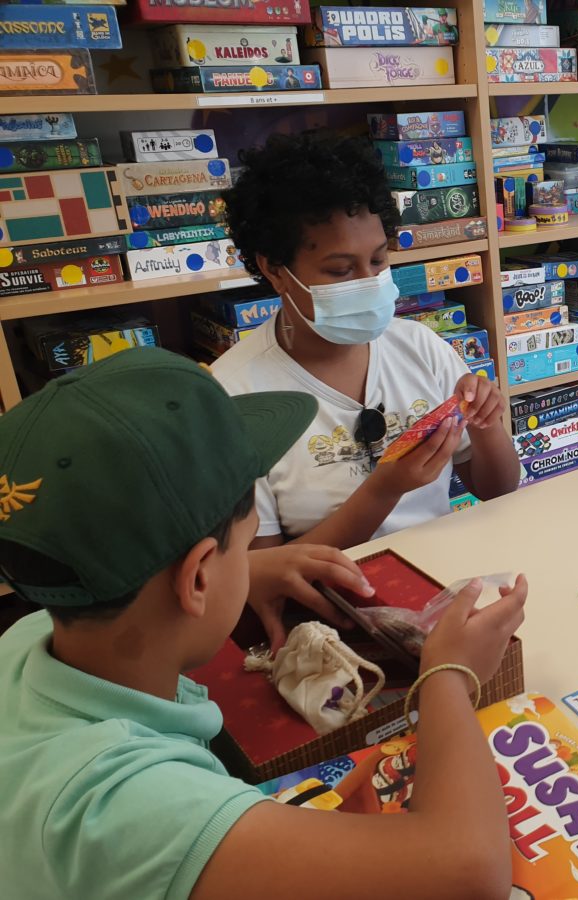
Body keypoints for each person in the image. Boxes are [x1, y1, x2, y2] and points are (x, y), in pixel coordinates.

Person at [0, 348, 526, 900]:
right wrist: (447, 675)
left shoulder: (23, 641)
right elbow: (471, 872)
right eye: (247, 537)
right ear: (198, 578)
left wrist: (244, 570)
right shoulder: (132, 807)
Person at [212, 132, 519, 555]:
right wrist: (382, 492)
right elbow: (264, 574)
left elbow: (498, 490)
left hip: (443, 575)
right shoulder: (234, 397)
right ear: (275, 270)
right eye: (340, 270)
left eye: (377, 261)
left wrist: (487, 426)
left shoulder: (419, 347)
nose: (369, 282)